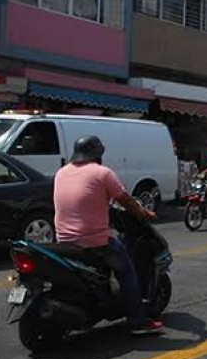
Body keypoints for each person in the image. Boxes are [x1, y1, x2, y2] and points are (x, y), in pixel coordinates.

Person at [53, 136, 163, 335]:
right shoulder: (102, 173)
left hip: (64, 241)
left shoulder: (61, 173)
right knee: (127, 272)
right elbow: (126, 201)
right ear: (97, 154)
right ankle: (137, 320)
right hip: (95, 241)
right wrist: (145, 214)